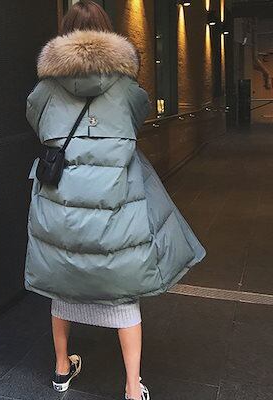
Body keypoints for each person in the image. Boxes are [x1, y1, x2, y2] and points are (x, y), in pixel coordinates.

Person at [24, 2, 206, 399]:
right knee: (123, 290)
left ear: (66, 33)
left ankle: (61, 369)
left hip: (63, 202)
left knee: (62, 282)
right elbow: (136, 120)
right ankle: (131, 386)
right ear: (107, 32)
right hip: (116, 202)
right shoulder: (126, 88)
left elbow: (37, 123)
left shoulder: (45, 90)